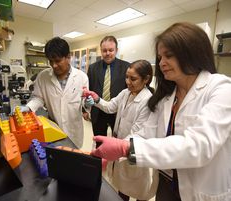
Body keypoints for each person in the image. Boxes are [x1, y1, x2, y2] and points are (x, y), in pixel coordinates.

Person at [91, 22, 231, 201]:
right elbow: (145, 133)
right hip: (166, 183)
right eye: (160, 57)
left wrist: (126, 148)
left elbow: (199, 146)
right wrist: (117, 150)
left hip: (200, 190)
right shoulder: (166, 97)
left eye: (169, 56)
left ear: (192, 53)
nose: (162, 63)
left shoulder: (221, 88)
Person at [84, 60, 158, 201]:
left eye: (133, 79)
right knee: (122, 185)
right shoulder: (126, 93)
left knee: (137, 188)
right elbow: (111, 107)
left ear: (146, 79)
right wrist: (97, 99)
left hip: (134, 149)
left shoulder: (147, 101)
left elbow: (137, 133)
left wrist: (115, 149)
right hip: (122, 146)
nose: (128, 82)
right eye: (126, 77)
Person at [23, 37, 89, 148]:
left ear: (68, 57)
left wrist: (87, 104)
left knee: (74, 159)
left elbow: (84, 102)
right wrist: (29, 107)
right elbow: (38, 98)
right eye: (51, 61)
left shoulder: (81, 77)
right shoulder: (43, 76)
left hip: (74, 132)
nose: (54, 65)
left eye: (57, 61)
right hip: (53, 129)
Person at [85, 35, 130, 146]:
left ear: (116, 50)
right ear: (101, 51)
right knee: (100, 143)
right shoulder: (92, 68)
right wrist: (85, 109)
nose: (108, 53)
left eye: (111, 50)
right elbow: (88, 89)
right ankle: (101, 162)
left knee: (118, 143)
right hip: (98, 111)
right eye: (104, 50)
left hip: (117, 112)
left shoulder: (127, 67)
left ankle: (114, 163)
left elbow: (129, 90)